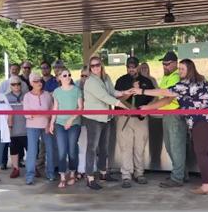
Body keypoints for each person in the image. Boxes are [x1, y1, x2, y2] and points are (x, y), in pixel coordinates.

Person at [133, 59, 208, 195]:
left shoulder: (186, 84)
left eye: (182, 69)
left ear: (190, 70)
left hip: (202, 120)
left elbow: (166, 93)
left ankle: (206, 185)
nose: (180, 71)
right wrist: (148, 106)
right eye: (179, 68)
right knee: (207, 151)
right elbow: (169, 96)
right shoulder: (200, 80)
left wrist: (142, 91)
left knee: (201, 152)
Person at [140, 51, 188, 188]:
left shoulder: (175, 77)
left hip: (175, 115)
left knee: (176, 147)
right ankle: (180, 173)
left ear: (175, 63)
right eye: (163, 63)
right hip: (167, 115)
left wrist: (148, 108)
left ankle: (177, 177)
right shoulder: (166, 77)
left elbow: (167, 100)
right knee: (170, 146)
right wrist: (150, 107)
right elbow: (160, 97)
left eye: (167, 64)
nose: (164, 66)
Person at [83, 56, 129, 190]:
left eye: (97, 64)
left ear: (101, 65)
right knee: (92, 148)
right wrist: (123, 105)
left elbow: (112, 92)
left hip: (106, 117)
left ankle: (103, 173)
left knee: (104, 147)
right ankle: (90, 177)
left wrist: (125, 92)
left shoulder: (106, 77)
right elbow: (104, 97)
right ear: (89, 68)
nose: (95, 67)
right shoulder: (90, 81)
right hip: (94, 119)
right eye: (92, 66)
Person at [115, 57, 155, 188]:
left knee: (140, 147)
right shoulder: (121, 81)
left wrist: (147, 109)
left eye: (133, 66)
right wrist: (132, 89)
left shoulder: (146, 81)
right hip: (124, 117)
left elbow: (154, 98)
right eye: (129, 66)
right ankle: (126, 175)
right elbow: (117, 98)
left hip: (141, 119)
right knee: (125, 148)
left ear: (138, 67)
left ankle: (139, 173)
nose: (131, 69)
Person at [50, 67, 82, 189]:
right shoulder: (57, 92)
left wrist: (71, 119)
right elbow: (55, 108)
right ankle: (63, 176)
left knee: (72, 150)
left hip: (74, 123)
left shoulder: (77, 90)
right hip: (60, 123)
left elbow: (80, 108)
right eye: (64, 75)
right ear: (59, 78)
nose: (67, 77)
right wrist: (52, 122)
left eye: (69, 74)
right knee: (62, 151)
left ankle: (73, 173)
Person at [23, 73, 54, 185]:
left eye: (40, 80)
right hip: (32, 127)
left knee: (50, 150)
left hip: (46, 126)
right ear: (31, 83)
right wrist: (42, 114)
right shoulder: (27, 96)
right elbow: (27, 114)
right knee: (32, 151)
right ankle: (30, 176)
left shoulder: (47, 95)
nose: (39, 83)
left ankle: (50, 173)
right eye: (35, 81)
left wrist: (48, 123)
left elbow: (51, 111)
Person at [6, 76, 28, 178]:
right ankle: (15, 168)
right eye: (13, 84)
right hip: (13, 129)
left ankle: (32, 167)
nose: (16, 86)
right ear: (10, 86)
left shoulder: (27, 96)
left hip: (27, 128)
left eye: (18, 84)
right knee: (14, 149)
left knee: (31, 149)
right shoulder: (6, 97)